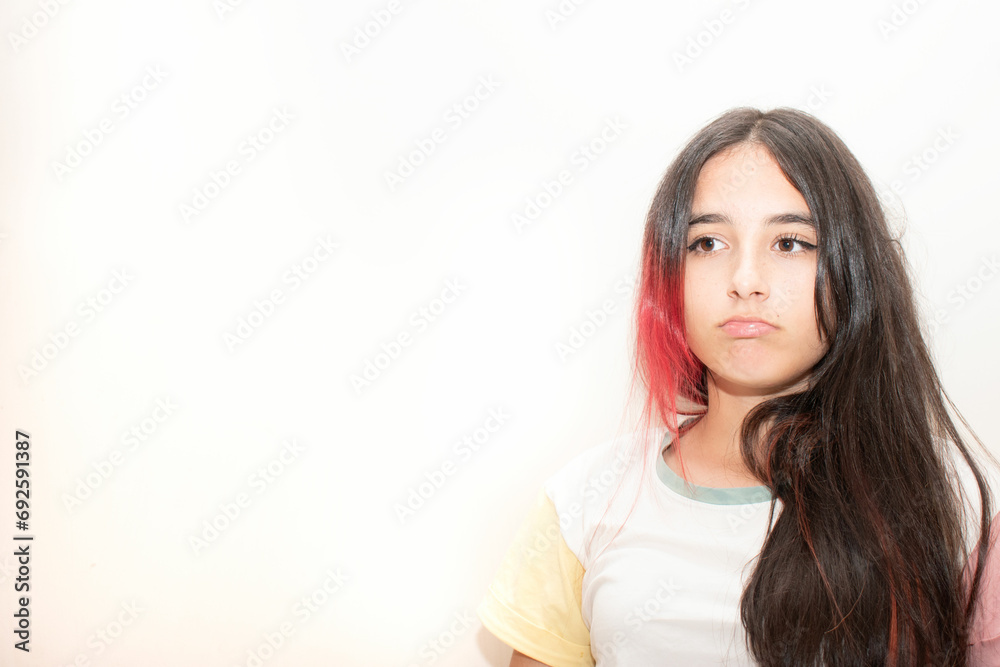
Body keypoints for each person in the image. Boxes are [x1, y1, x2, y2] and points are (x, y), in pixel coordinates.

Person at [476, 107, 1000, 666]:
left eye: (791, 243)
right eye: (707, 243)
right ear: (668, 275)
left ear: (853, 273)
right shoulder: (582, 501)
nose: (746, 281)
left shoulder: (958, 502)